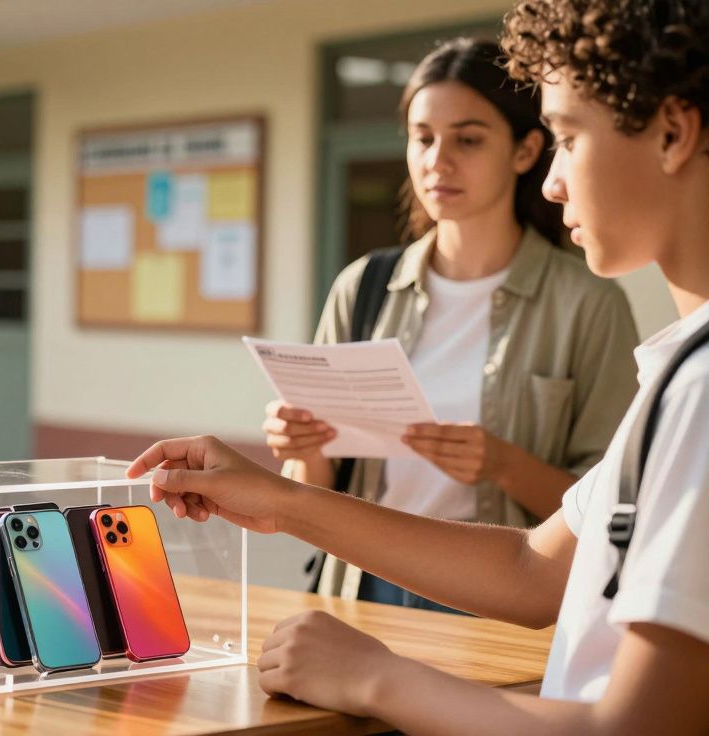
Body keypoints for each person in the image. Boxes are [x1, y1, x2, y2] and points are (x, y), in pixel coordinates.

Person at [131, 1, 709, 729]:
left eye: (566, 138)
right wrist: (281, 499)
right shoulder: (679, 374)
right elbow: (535, 569)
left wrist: (375, 677)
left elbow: (640, 727)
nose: (556, 182)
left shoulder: (696, 389)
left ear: (674, 132)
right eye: (423, 137)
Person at [265, 38, 639, 611]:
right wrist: (303, 447)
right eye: (423, 138)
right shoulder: (362, 287)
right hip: (364, 587)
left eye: (467, 139)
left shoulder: (588, 304)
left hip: (502, 599)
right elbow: (311, 491)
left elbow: (617, 509)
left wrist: (504, 466)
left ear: (525, 150)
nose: (438, 160)